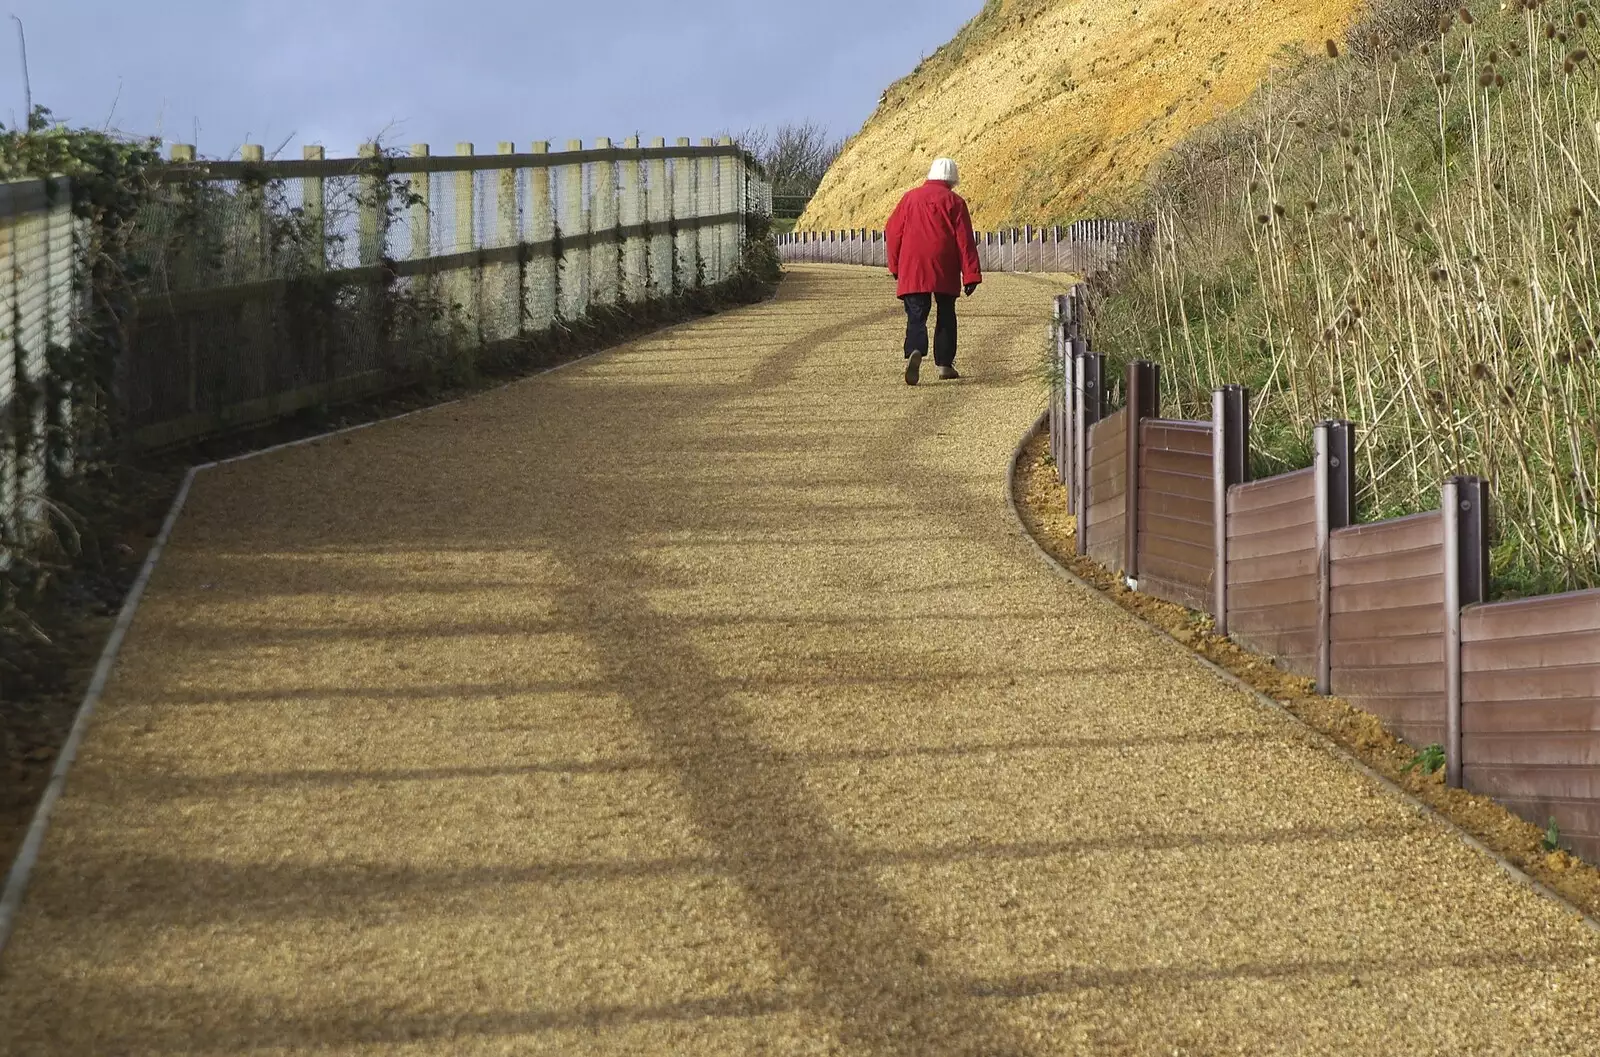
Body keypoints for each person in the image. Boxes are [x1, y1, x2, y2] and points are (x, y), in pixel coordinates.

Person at [885, 158, 983, 386]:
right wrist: (971, 275)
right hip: (944, 264)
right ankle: (944, 364)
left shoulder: (910, 198)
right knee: (946, 313)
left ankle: (916, 350)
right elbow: (964, 241)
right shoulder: (955, 202)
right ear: (952, 180)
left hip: (913, 263)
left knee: (916, 314)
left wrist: (895, 264)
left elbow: (893, 231)